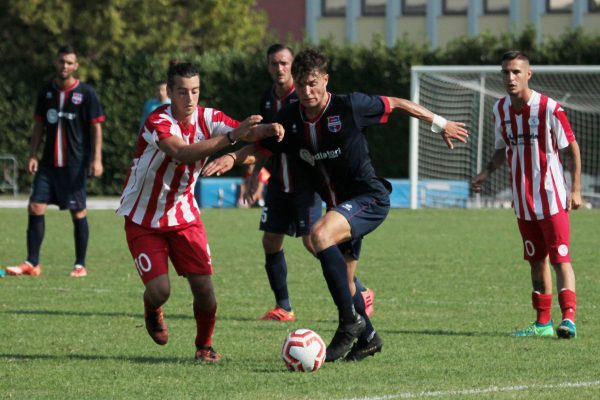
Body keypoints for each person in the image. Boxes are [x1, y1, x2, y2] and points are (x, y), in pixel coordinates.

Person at [206, 48, 468, 362]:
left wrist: (439, 123)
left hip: (368, 199)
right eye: (301, 84)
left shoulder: (349, 106)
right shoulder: (291, 118)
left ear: (326, 80)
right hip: (340, 207)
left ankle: (349, 324)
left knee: (318, 237)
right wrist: (231, 157)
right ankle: (368, 337)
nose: (307, 91)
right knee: (345, 281)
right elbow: (261, 148)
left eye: (313, 83)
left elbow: (396, 104)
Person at [117, 61, 282, 362]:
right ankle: (152, 309)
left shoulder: (209, 117)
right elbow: (181, 152)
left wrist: (269, 129)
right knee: (160, 290)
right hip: (144, 218)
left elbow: (243, 131)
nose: (190, 99)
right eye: (182, 92)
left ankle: (204, 346)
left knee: (205, 290)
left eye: (195, 91)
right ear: (169, 92)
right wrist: (233, 138)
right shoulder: (158, 120)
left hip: (184, 215)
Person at [204, 44, 375, 323]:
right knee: (270, 241)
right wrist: (255, 177)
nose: (279, 68)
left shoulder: (307, 97)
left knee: (314, 241)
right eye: (274, 64)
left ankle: (359, 290)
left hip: (305, 184)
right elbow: (263, 144)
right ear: (268, 67)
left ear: (294, 66)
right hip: (278, 183)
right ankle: (283, 307)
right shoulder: (268, 99)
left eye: (284, 63)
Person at [471, 50, 581, 339]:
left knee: (560, 259)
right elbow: (501, 148)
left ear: (528, 74)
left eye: (516, 72)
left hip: (552, 197)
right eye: (506, 72)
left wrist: (576, 190)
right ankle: (543, 324)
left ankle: (568, 319)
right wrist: (486, 172)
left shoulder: (548, 107)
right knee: (535, 260)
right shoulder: (500, 109)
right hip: (523, 202)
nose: (510, 77)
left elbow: (571, 148)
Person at [5, 45, 105, 278]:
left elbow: (96, 128)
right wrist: (32, 154)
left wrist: (96, 159)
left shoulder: (87, 94)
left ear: (76, 66)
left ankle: (80, 265)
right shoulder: (46, 92)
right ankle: (32, 263)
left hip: (75, 164)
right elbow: (39, 125)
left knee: (78, 211)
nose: (65, 66)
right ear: (56, 63)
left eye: (69, 62)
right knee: (35, 206)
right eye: (61, 61)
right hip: (48, 164)